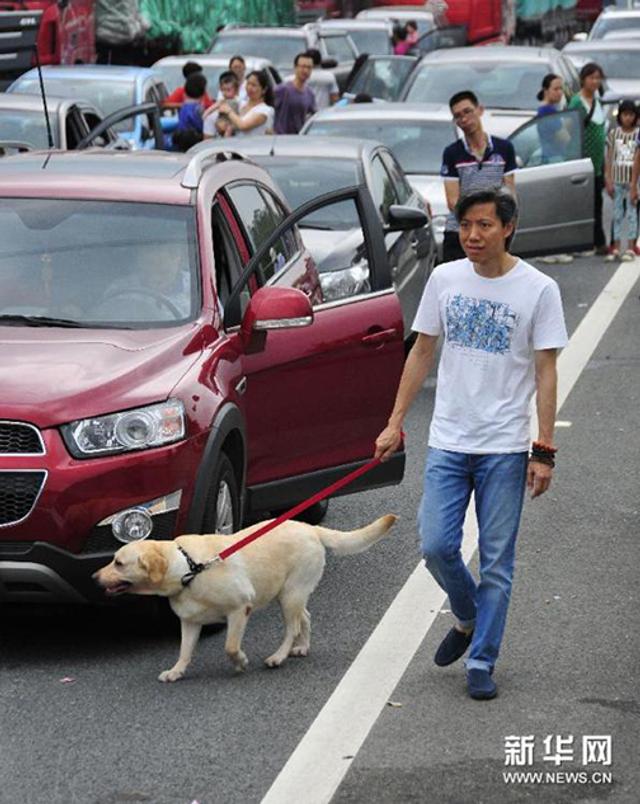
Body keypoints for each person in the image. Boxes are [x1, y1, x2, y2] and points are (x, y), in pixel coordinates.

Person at [374, 188, 568, 701]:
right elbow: (421, 353)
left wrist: (543, 448)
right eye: (465, 226)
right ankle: (468, 615)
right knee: (436, 545)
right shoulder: (444, 278)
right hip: (448, 441)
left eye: (484, 225)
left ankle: (482, 658)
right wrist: (394, 422)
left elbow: (547, 372)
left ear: (508, 228)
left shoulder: (539, 289)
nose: (473, 236)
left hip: (505, 445)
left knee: (498, 560)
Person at [440, 90, 517, 263]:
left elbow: (509, 191)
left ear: (480, 110)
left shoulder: (504, 148)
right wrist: (474, 221)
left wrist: (505, 222)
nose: (464, 119)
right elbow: (452, 200)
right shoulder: (452, 153)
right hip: (459, 230)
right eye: (458, 116)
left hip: (493, 229)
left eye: (467, 112)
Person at [568, 63, 608, 256]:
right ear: (583, 79)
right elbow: (570, 131)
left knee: (597, 202)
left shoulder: (597, 101)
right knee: (584, 204)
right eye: (591, 77)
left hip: (598, 164)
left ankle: (599, 241)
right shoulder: (577, 102)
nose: (595, 81)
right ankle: (585, 242)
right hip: (582, 163)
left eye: (598, 78)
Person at [535, 74, 574, 265]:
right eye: (556, 89)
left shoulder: (551, 111)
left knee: (557, 205)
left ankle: (556, 247)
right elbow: (564, 138)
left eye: (561, 89)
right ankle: (549, 249)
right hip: (552, 158)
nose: (559, 92)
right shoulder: (548, 112)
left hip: (554, 158)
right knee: (554, 207)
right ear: (546, 90)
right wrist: (567, 121)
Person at [604, 100, 640, 261]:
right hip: (617, 180)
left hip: (633, 181)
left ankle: (631, 247)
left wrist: (634, 185)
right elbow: (610, 156)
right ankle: (616, 247)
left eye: (631, 115)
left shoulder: (637, 134)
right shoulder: (613, 134)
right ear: (620, 116)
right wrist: (608, 178)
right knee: (617, 214)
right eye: (625, 114)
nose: (628, 118)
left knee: (632, 215)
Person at [217, 69, 274, 137]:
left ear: (264, 90)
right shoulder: (240, 103)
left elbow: (243, 126)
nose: (249, 87)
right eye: (248, 84)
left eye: (254, 85)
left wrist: (229, 111)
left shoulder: (265, 110)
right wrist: (221, 124)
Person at [274, 52, 317, 134]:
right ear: (295, 67)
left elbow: (315, 115)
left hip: (297, 139)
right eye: (303, 67)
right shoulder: (282, 90)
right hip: (280, 139)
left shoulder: (309, 93)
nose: (306, 70)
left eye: (309, 67)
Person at [171, 72, 208, 151]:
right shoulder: (198, 109)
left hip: (181, 144)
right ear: (203, 91)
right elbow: (202, 127)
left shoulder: (183, 107)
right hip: (194, 145)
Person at [202, 71, 241, 139]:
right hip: (222, 120)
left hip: (232, 123)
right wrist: (206, 113)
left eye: (228, 90)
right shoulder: (222, 101)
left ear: (236, 90)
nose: (225, 93)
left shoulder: (239, 102)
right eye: (223, 90)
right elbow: (213, 107)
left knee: (230, 128)